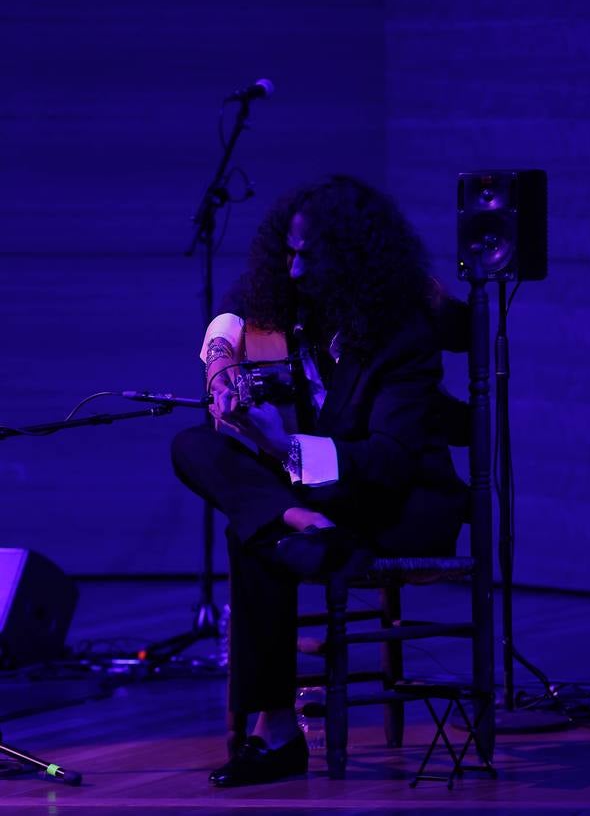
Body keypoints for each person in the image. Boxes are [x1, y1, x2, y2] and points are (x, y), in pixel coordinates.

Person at [171, 174, 468, 787]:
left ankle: (274, 733)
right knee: (192, 444)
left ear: (354, 259)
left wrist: (281, 445)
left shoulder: (401, 335)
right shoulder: (290, 302)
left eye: (312, 256)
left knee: (251, 535)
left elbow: (387, 462)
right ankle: (292, 521)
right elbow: (231, 309)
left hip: (397, 506)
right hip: (319, 507)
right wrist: (222, 368)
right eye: (290, 252)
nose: (297, 269)